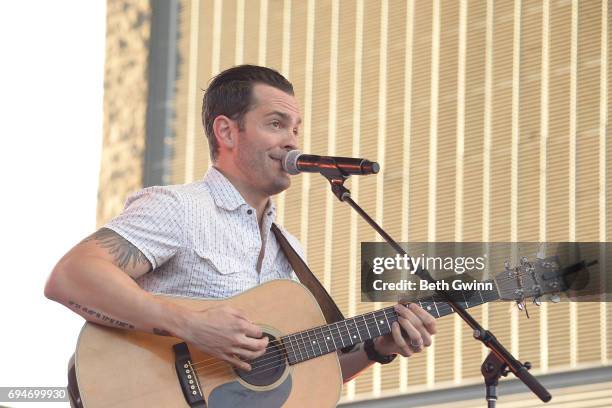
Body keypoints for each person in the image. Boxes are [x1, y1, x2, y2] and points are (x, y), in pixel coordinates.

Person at [45, 64, 436, 405]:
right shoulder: (178, 208)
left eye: (296, 129)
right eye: (276, 124)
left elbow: (295, 378)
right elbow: (71, 276)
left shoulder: (290, 249)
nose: (292, 142)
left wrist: (376, 348)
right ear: (227, 132)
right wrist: (191, 325)